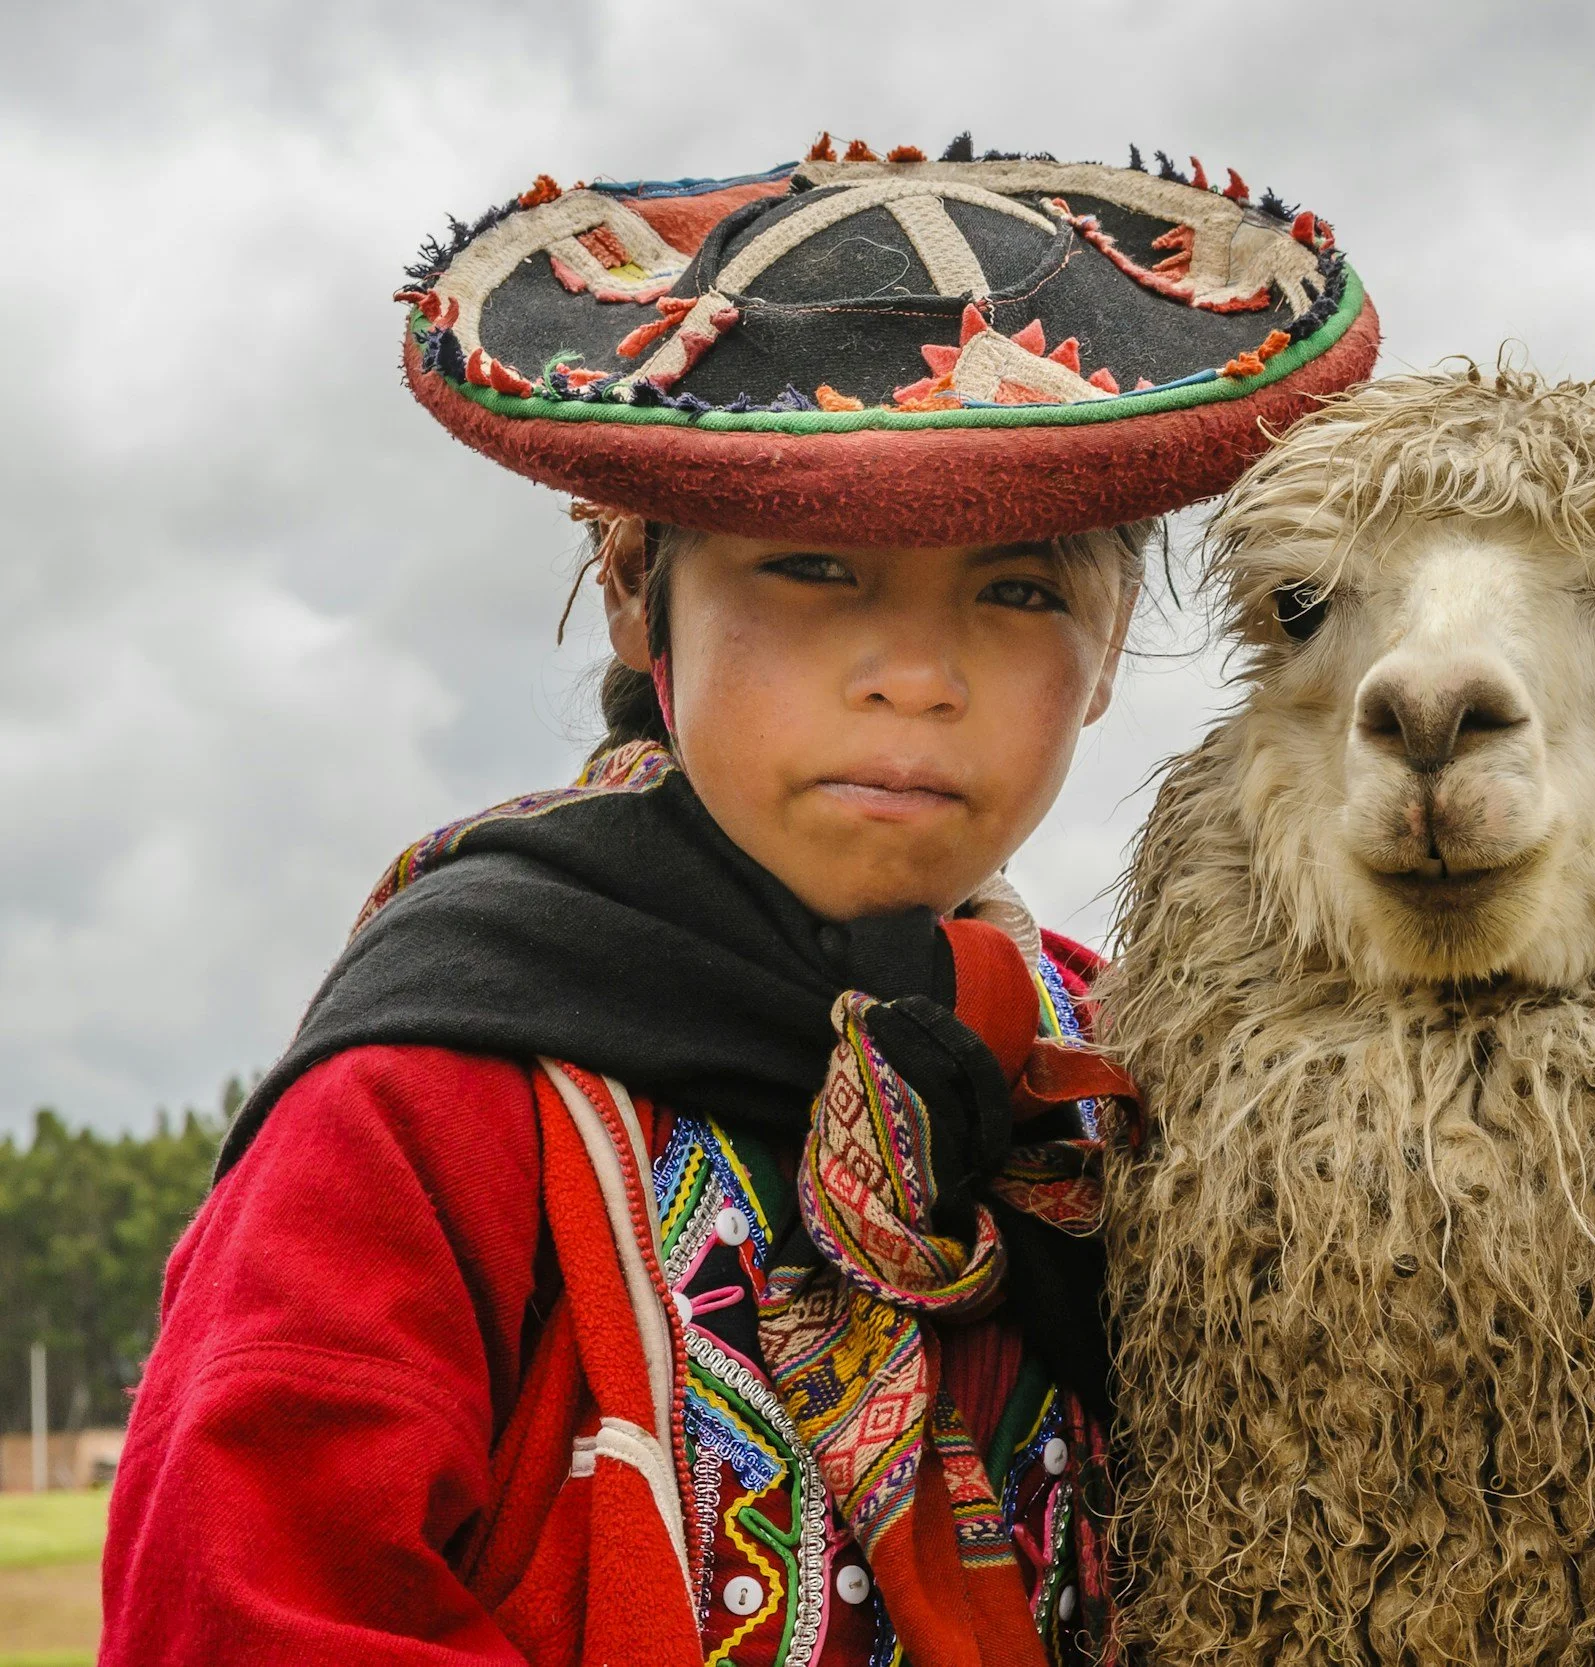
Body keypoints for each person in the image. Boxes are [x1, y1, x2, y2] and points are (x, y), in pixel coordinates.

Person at [99, 136, 1378, 1667]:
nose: (917, 673)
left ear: (1108, 656)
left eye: (1021, 590)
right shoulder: (428, 1099)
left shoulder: (1135, 1074)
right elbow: (238, 1612)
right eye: (815, 569)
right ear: (641, 587)